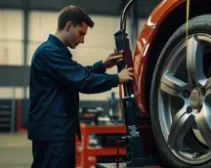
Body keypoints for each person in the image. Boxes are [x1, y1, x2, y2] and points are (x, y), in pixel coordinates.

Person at [27, 5, 134, 168]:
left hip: (56, 131)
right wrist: (117, 79)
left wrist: (103, 65)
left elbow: (78, 73)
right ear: (69, 26)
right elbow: (82, 80)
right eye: (81, 33)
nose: (82, 40)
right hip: (53, 133)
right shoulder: (49, 53)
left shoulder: (56, 52)